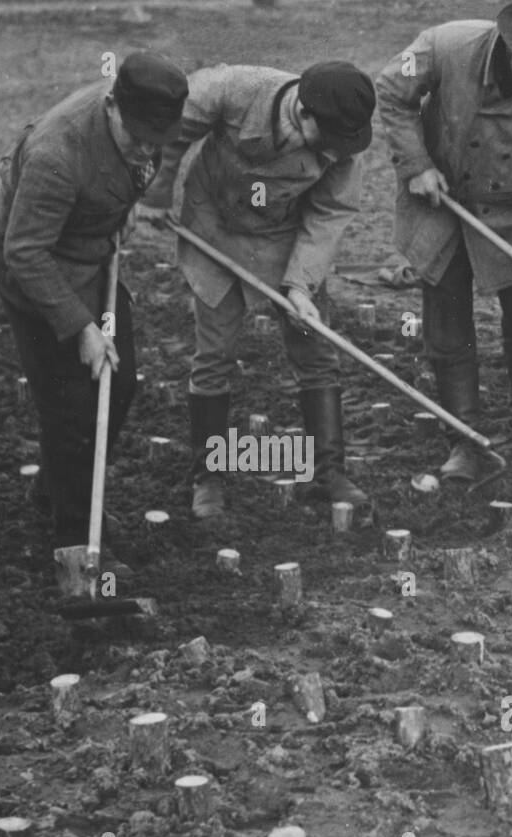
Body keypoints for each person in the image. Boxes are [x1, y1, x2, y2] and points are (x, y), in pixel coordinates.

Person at [140, 61, 376, 519]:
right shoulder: (231, 89)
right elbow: (169, 129)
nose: (335, 150)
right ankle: (208, 475)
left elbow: (328, 215)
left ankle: (326, 472)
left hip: (285, 236)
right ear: (304, 113)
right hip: (215, 229)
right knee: (214, 356)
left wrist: (302, 287)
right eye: (326, 139)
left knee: (316, 352)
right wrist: (155, 192)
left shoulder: (344, 142)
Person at [0, 51, 188, 575]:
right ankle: (74, 537)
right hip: (35, 268)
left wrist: (122, 211)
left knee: (119, 385)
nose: (146, 149)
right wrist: (80, 326)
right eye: (137, 135)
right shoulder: (59, 152)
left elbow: (131, 174)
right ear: (112, 106)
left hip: (91, 254)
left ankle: (52, 490)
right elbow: (25, 252)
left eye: (155, 140)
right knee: (69, 404)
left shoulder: (145, 133)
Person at [375, 0, 512, 480]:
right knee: (447, 328)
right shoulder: (445, 45)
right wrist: (416, 164)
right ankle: (465, 440)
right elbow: (390, 87)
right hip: (442, 199)